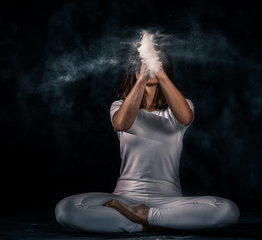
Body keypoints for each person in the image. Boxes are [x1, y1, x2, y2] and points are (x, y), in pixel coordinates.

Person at [54, 49, 240, 233]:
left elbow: (185, 118)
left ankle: (146, 216)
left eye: (155, 65)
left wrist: (159, 72)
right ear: (134, 72)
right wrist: (142, 79)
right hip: (125, 198)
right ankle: (146, 225)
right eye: (144, 65)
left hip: (169, 201)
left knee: (227, 210)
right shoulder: (118, 106)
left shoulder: (181, 106)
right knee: (66, 209)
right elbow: (122, 124)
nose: (149, 68)